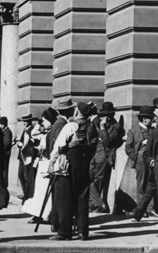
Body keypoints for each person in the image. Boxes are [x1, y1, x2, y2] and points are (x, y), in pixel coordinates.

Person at [48, 101, 98, 241]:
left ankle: (65, 232)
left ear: (77, 112)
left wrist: (52, 162)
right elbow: (94, 148)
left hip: (69, 164)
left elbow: (59, 145)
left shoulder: (71, 126)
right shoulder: (92, 127)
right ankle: (83, 232)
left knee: (65, 199)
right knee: (82, 199)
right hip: (84, 164)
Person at [22, 107, 58, 223]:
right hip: (42, 163)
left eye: (45, 120)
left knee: (44, 191)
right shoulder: (46, 133)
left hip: (47, 164)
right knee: (39, 191)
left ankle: (46, 214)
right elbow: (33, 134)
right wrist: (39, 124)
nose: (43, 123)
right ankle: (38, 214)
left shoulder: (52, 132)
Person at [89, 102, 124, 213]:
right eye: (103, 115)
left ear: (112, 115)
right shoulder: (97, 124)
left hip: (104, 154)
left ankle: (96, 205)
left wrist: (102, 129)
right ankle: (98, 203)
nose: (106, 118)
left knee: (98, 179)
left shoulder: (116, 126)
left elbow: (108, 142)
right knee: (87, 177)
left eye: (108, 115)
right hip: (94, 153)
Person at [125, 106, 155, 217]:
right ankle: (142, 210)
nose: (151, 120)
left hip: (152, 160)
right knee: (141, 184)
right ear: (144, 119)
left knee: (151, 183)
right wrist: (137, 157)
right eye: (149, 118)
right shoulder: (133, 131)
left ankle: (150, 208)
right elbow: (128, 148)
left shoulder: (153, 130)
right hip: (141, 159)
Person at [16, 113, 38, 201]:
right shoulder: (25, 130)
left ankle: (27, 196)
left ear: (30, 121)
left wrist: (22, 145)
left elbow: (33, 145)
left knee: (26, 177)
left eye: (25, 121)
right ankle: (25, 193)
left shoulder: (32, 131)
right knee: (20, 175)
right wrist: (18, 143)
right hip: (22, 156)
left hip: (28, 157)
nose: (24, 123)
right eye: (23, 121)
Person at [0, 117, 13, 187]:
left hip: (5, 154)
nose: (0, 126)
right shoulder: (4, 131)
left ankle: (4, 184)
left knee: (4, 169)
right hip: (3, 154)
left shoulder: (7, 132)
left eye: (1, 124)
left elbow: (6, 144)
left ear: (4, 124)